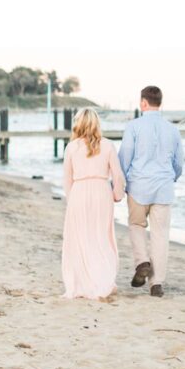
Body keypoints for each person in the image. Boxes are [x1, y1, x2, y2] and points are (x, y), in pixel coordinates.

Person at [119, 85, 183, 297]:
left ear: (143, 103)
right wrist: (170, 177)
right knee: (161, 235)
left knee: (136, 225)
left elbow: (125, 157)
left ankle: (142, 261)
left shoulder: (133, 126)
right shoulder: (173, 130)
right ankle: (156, 283)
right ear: (160, 103)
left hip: (138, 186)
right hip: (163, 188)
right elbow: (178, 163)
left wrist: (119, 183)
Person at [61, 108, 125, 300]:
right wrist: (117, 194)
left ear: (78, 124)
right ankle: (102, 280)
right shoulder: (108, 145)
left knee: (80, 238)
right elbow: (118, 175)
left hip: (79, 192)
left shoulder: (71, 147)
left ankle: (82, 283)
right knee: (101, 236)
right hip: (101, 192)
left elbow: (67, 179)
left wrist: (71, 199)